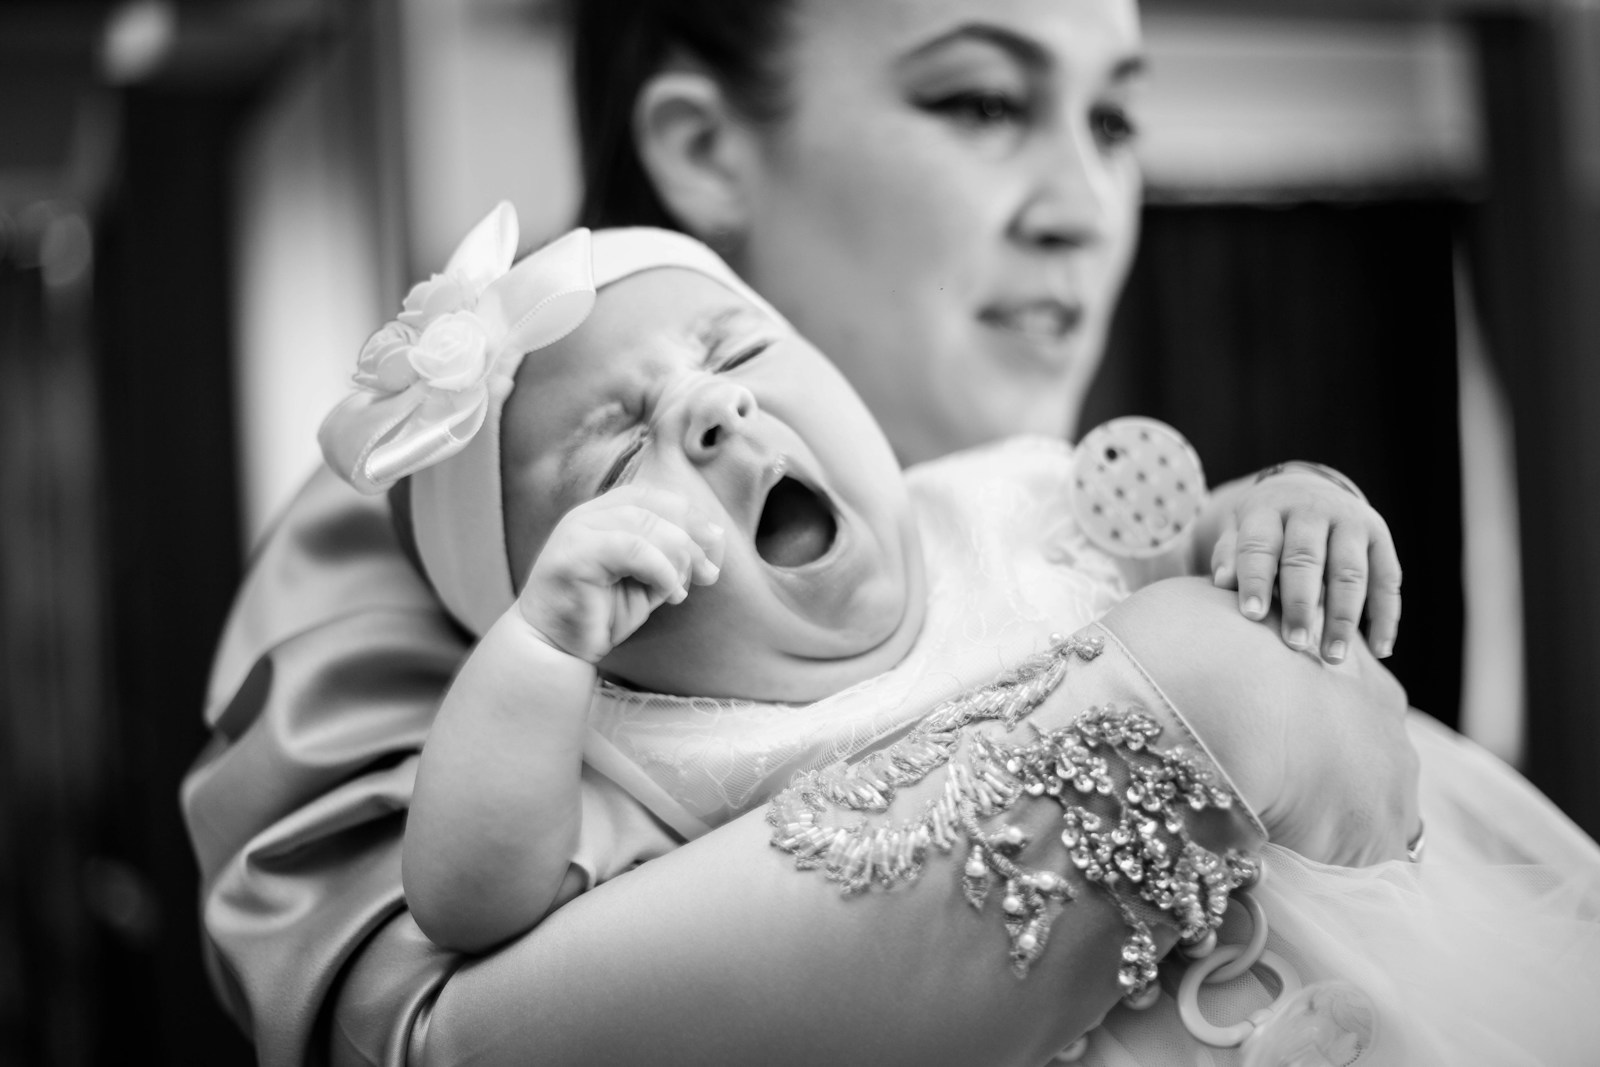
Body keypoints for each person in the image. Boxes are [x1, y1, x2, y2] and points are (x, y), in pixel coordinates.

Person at [179, 1, 1429, 1063]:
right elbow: (427, 1007)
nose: (1086, 209)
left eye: (1112, 120)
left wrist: (1287, 519)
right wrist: (1184, 716)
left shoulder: (1016, 494)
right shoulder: (447, 535)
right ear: (704, 145)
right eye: (983, 102)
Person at [325, 210, 1600, 1066]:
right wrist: (538, 656)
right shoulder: (638, 740)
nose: (711, 408)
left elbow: (1203, 543)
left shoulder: (1010, 499)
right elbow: (469, 905)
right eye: (612, 450)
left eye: (738, 348)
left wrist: (1284, 505)